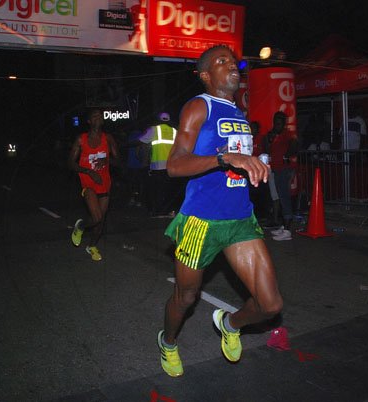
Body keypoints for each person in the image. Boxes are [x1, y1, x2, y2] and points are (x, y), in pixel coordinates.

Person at [157, 45, 283, 377]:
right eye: (220, 61)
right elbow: (174, 165)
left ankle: (229, 324)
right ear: (205, 75)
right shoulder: (200, 107)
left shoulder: (240, 114)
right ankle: (168, 342)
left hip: (240, 218)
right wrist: (224, 159)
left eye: (232, 61)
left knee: (270, 305)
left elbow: (238, 163)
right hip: (201, 220)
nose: (231, 66)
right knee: (185, 298)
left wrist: (256, 166)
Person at [69, 109, 118, 262]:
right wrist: (89, 172)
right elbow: (70, 162)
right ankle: (80, 227)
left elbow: (119, 161)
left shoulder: (108, 139)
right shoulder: (81, 139)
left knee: (100, 221)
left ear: (102, 121)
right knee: (96, 216)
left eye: (100, 116)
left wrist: (107, 161)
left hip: (104, 183)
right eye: (94, 116)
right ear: (89, 121)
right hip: (88, 182)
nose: (98, 118)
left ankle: (91, 246)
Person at [264, 111, 299, 241]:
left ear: (283, 124)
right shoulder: (273, 135)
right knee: (280, 196)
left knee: (284, 198)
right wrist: (269, 139)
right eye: (275, 122)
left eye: (279, 122)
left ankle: (288, 230)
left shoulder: (287, 134)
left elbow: (295, 145)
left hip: (284, 170)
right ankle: (284, 227)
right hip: (276, 169)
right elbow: (267, 150)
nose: (277, 125)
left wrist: (286, 156)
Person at [138, 112, 180, 217]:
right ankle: (170, 211)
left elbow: (141, 140)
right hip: (171, 166)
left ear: (158, 119)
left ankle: (158, 211)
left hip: (157, 166)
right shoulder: (175, 131)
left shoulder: (154, 130)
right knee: (170, 190)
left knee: (157, 190)